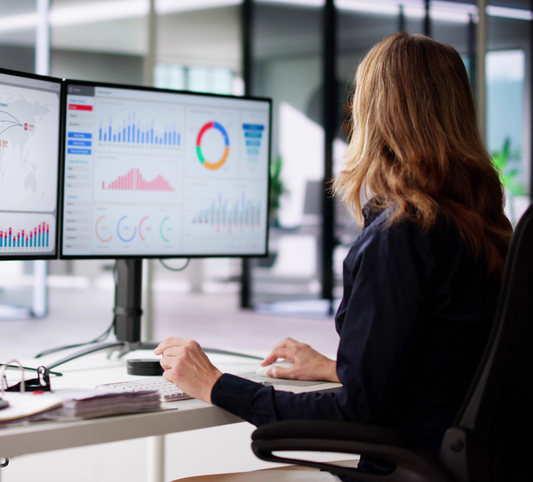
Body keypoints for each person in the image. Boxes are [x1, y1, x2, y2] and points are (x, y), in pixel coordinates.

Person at [155, 32, 513, 480]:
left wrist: (215, 385)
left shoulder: (402, 234)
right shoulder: (486, 228)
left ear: (373, 116)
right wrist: (336, 368)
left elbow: (356, 415)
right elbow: (451, 368)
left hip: (412, 468)